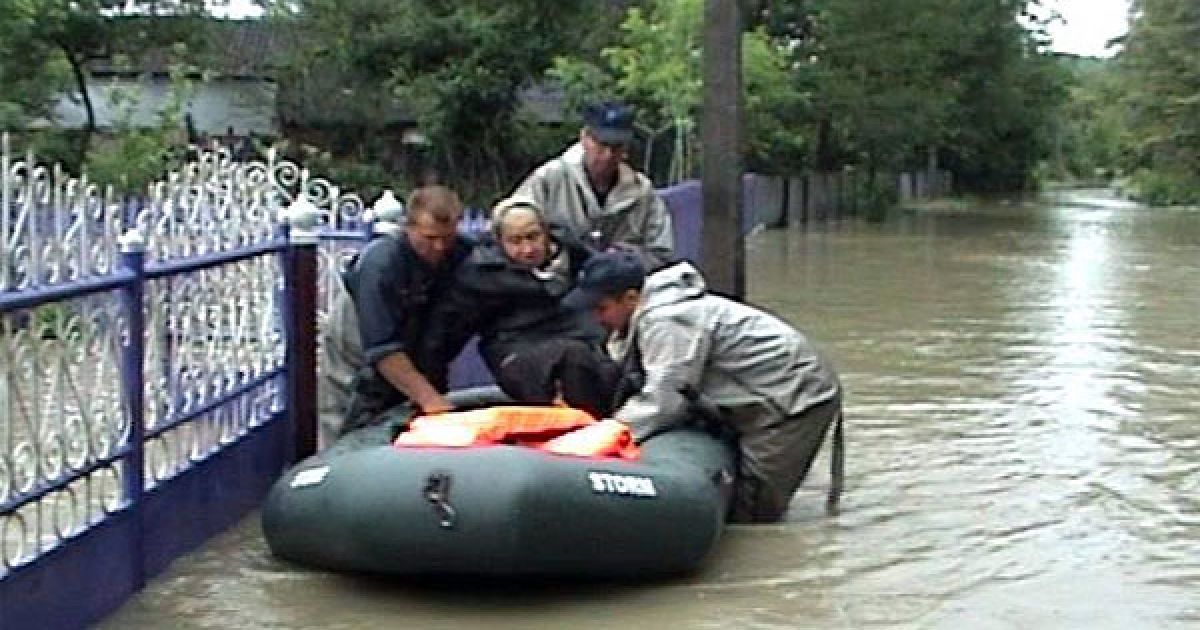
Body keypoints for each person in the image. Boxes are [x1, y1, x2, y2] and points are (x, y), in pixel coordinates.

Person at [565, 251, 845, 523]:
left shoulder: (668, 320)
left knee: (754, 511)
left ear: (630, 298)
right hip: (777, 387)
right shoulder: (655, 313)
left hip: (795, 399)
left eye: (601, 308)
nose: (597, 318)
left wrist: (607, 434)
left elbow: (666, 400)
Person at [426, 195, 619, 418]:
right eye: (515, 241)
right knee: (572, 358)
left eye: (533, 237)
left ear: (546, 233)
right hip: (516, 350)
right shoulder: (481, 276)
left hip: (580, 338)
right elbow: (444, 335)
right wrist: (428, 391)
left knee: (608, 366)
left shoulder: (575, 255)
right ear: (500, 242)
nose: (527, 249)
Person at [339, 185, 475, 434]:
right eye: (429, 238)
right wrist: (431, 401)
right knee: (353, 414)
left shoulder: (464, 252)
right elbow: (383, 351)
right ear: (408, 227)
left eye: (447, 238)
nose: (439, 248)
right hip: (357, 334)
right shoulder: (380, 265)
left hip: (409, 332)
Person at [513, 101, 675, 270]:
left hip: (619, 285)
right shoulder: (548, 178)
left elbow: (661, 251)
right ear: (584, 138)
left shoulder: (642, 191)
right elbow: (512, 225)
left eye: (616, 147)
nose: (608, 155)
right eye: (602, 144)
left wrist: (625, 259)